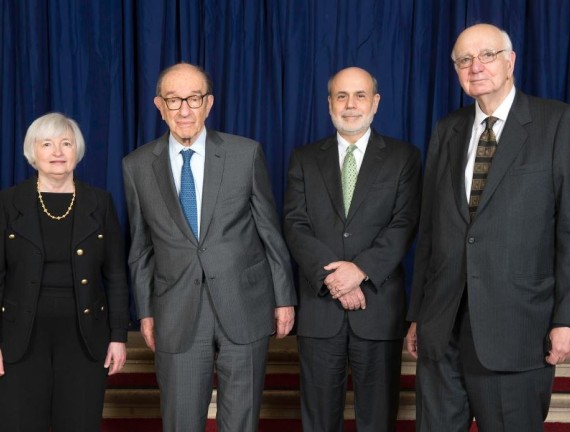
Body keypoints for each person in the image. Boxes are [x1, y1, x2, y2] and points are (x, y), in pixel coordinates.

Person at [406, 23, 570, 432]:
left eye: (487, 55)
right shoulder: (448, 129)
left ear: (510, 60)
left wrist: (567, 318)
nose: (475, 66)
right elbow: (431, 229)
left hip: (517, 328)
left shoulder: (557, 123)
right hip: (442, 328)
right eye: (464, 60)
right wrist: (418, 314)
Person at [122, 62, 296, 432]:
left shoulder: (244, 154)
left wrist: (284, 298)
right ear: (159, 105)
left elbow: (270, 231)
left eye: (194, 98)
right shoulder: (136, 166)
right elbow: (140, 249)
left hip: (245, 304)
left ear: (209, 103)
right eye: (174, 100)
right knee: (181, 421)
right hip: (176, 310)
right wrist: (146, 311)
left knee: (241, 422)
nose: (184, 109)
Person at [283, 67, 421, 432]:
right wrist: (336, 280)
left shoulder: (403, 157)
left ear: (375, 102)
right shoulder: (304, 158)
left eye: (360, 95)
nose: (350, 105)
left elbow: (404, 224)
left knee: (377, 419)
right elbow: (295, 225)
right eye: (341, 96)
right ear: (329, 103)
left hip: (378, 308)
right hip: (320, 310)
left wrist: (359, 271)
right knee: (318, 419)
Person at [0, 112, 129, 432]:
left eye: (66, 143)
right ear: (33, 152)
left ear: (77, 151)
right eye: (47, 143)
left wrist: (118, 337)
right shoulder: (7, 202)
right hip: (19, 337)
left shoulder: (100, 202)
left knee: (80, 423)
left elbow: (115, 274)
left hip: (85, 337)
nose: (57, 151)